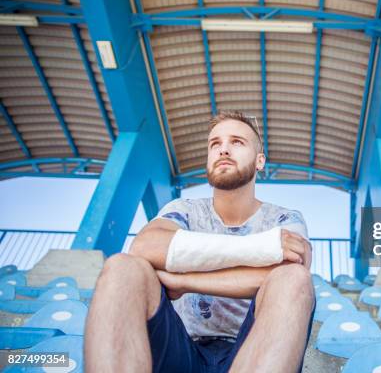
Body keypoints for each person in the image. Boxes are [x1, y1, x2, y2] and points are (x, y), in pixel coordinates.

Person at [85, 111, 315, 373]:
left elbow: (293, 269)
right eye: (215, 144)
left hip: (253, 348)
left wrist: (183, 279)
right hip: (179, 347)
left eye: (237, 142)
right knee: (122, 268)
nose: (223, 150)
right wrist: (264, 249)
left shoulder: (284, 218)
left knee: (294, 279)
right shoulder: (184, 209)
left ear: (260, 161)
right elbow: (145, 247)